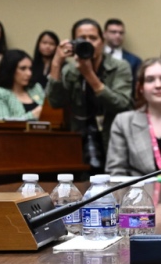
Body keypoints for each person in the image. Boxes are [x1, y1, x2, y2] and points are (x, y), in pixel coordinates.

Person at [45, 18, 134, 172]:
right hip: (81, 142)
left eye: (93, 38)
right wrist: (56, 63)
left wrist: (89, 75)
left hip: (114, 139)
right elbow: (55, 102)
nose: (89, 43)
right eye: (81, 39)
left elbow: (122, 104)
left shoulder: (120, 67)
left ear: (102, 41)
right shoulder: (70, 71)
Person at [0, 49, 44, 121]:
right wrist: (33, 115)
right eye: (23, 69)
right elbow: (2, 123)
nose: (29, 73)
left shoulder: (36, 88)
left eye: (30, 69)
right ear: (10, 69)